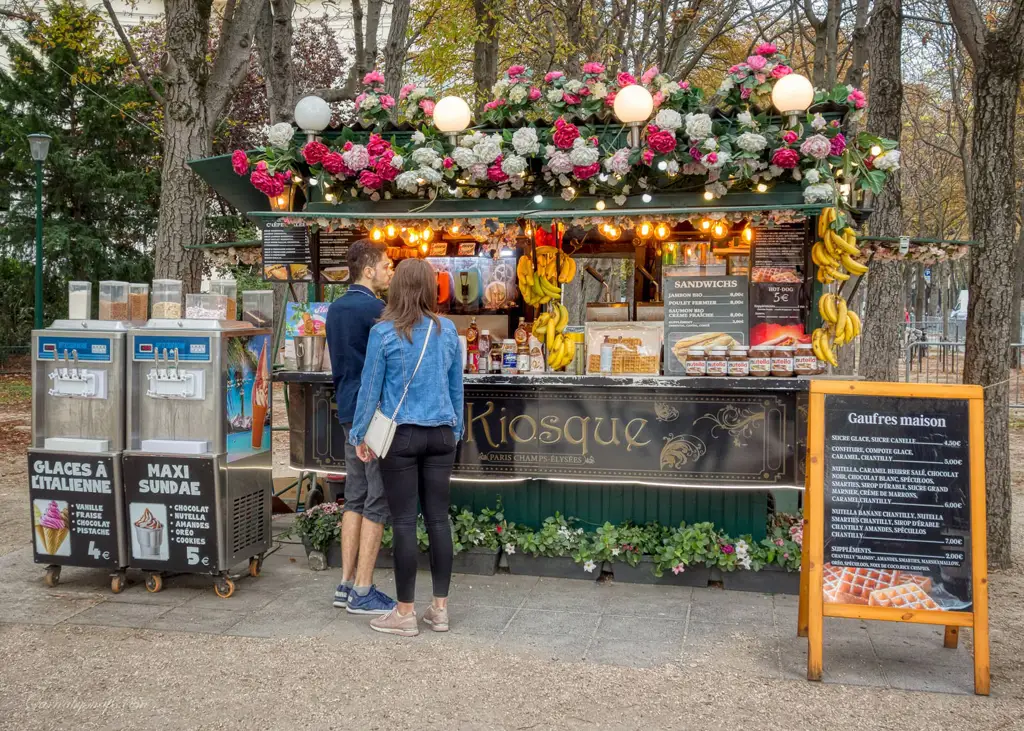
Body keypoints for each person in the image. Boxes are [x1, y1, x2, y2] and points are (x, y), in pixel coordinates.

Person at [348, 258, 464, 637]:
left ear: (397, 288)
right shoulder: (447, 330)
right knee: (438, 520)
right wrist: (456, 429)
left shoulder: (383, 333)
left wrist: (359, 434)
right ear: (431, 289)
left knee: (403, 522)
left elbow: (370, 390)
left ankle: (405, 612)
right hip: (441, 434)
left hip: (401, 436)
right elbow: (456, 388)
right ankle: (440, 610)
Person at [325, 239, 396, 615]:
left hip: (348, 410)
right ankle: (363, 590)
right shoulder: (379, 311)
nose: (389, 271)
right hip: (376, 413)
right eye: (386, 265)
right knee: (377, 496)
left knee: (353, 495)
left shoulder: (335, 309)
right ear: (368, 270)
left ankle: (345, 582)